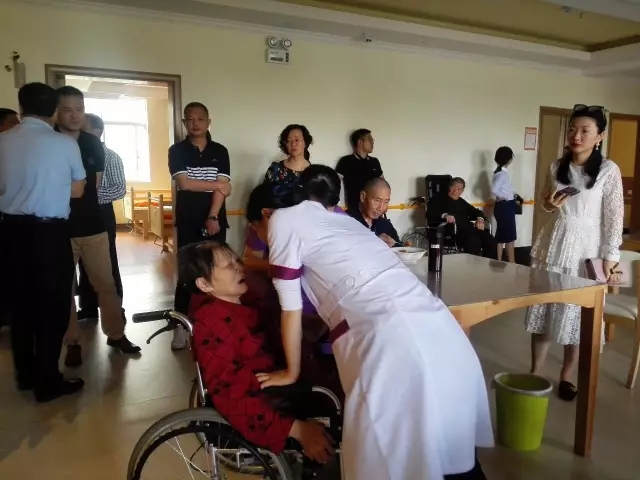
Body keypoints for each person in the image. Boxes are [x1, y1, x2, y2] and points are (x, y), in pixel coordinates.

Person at [249, 165, 493, 479]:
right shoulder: (340, 220)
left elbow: (290, 308)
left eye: (257, 231)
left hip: (392, 343)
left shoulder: (282, 220)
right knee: (449, 455)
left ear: (266, 214)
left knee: (395, 458)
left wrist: (290, 372)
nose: (264, 241)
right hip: (439, 329)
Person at [178, 241, 335, 464]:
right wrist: (297, 429)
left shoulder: (244, 303)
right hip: (268, 402)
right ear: (204, 284)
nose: (239, 267)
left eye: (236, 260)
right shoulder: (211, 325)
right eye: (228, 265)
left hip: (280, 378)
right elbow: (232, 395)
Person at [525, 104, 623, 402]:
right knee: (543, 307)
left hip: (587, 250)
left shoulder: (608, 170)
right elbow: (546, 203)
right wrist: (549, 205)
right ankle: (535, 372)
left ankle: (566, 375)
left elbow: (614, 218)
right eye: (572, 129)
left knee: (577, 314)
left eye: (584, 131)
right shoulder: (557, 166)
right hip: (554, 243)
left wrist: (611, 260)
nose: (576, 136)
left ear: (599, 136)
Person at [0, 82, 86, 402]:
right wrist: (49, 185)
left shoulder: (3, 140)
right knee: (53, 305)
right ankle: (48, 381)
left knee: (20, 305)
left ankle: (26, 375)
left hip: (10, 231)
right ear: (54, 112)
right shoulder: (64, 143)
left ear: (21, 108)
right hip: (49, 234)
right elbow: (78, 190)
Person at [56, 86, 140, 368]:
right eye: (67, 110)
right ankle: (73, 341)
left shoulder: (92, 144)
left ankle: (116, 334)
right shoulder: (50, 141)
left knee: (106, 284)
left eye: (79, 109)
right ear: (56, 112)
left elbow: (94, 186)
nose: (74, 115)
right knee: (65, 288)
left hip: (94, 227)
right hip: (60, 229)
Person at [169, 101, 232, 350]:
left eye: (200, 119)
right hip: (188, 221)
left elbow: (222, 190)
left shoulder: (220, 151)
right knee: (188, 273)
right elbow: (184, 184)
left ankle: (215, 323)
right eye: (190, 119)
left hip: (214, 221)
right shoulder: (177, 151)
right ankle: (180, 325)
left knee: (216, 271)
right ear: (184, 122)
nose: (195, 123)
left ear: (208, 122)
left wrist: (213, 216)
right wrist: (218, 185)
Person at [75, 113, 127, 322]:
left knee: (107, 262)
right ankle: (88, 307)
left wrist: (89, 196)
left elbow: (119, 189)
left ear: (98, 132)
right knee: (83, 262)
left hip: (102, 212)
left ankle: (116, 310)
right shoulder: (75, 154)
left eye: (84, 130)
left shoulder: (110, 156)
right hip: (78, 214)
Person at [427, 177, 498, 259]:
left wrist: (480, 219)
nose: (454, 191)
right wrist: (445, 215)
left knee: (491, 240)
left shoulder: (462, 202)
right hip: (452, 231)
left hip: (469, 229)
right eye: (453, 187)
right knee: (474, 241)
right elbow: (429, 214)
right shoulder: (438, 200)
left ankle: (487, 265)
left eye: (458, 189)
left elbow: (477, 212)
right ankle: (472, 266)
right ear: (449, 187)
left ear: (461, 191)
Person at [336, 129, 383, 211]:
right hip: (354, 210)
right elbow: (334, 183)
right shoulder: (346, 161)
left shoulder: (374, 162)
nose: (373, 142)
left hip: (374, 209)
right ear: (360, 142)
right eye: (370, 139)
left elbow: (382, 185)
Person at [347, 177, 399, 247]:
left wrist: (405, 248)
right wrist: (374, 242)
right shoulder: (346, 220)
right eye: (377, 201)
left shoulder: (385, 225)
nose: (381, 208)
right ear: (363, 196)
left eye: (386, 202)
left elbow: (398, 247)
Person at [492, 146, 517, 263]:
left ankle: (505, 261)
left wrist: (512, 194)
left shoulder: (501, 172)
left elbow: (502, 189)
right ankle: (507, 261)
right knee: (507, 237)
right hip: (505, 206)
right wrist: (505, 197)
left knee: (505, 236)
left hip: (506, 206)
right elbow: (494, 190)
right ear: (509, 159)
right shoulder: (502, 174)